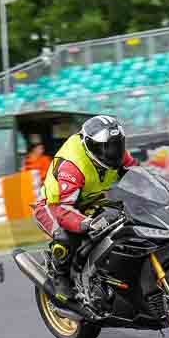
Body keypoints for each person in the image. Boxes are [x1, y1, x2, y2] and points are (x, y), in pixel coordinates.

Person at [33, 115, 138, 300]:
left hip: (90, 200)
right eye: (108, 147)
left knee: (126, 217)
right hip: (54, 206)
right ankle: (60, 277)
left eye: (117, 144)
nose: (114, 152)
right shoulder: (72, 165)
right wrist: (88, 225)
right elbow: (63, 211)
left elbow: (138, 175)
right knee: (66, 235)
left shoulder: (116, 154)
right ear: (91, 146)